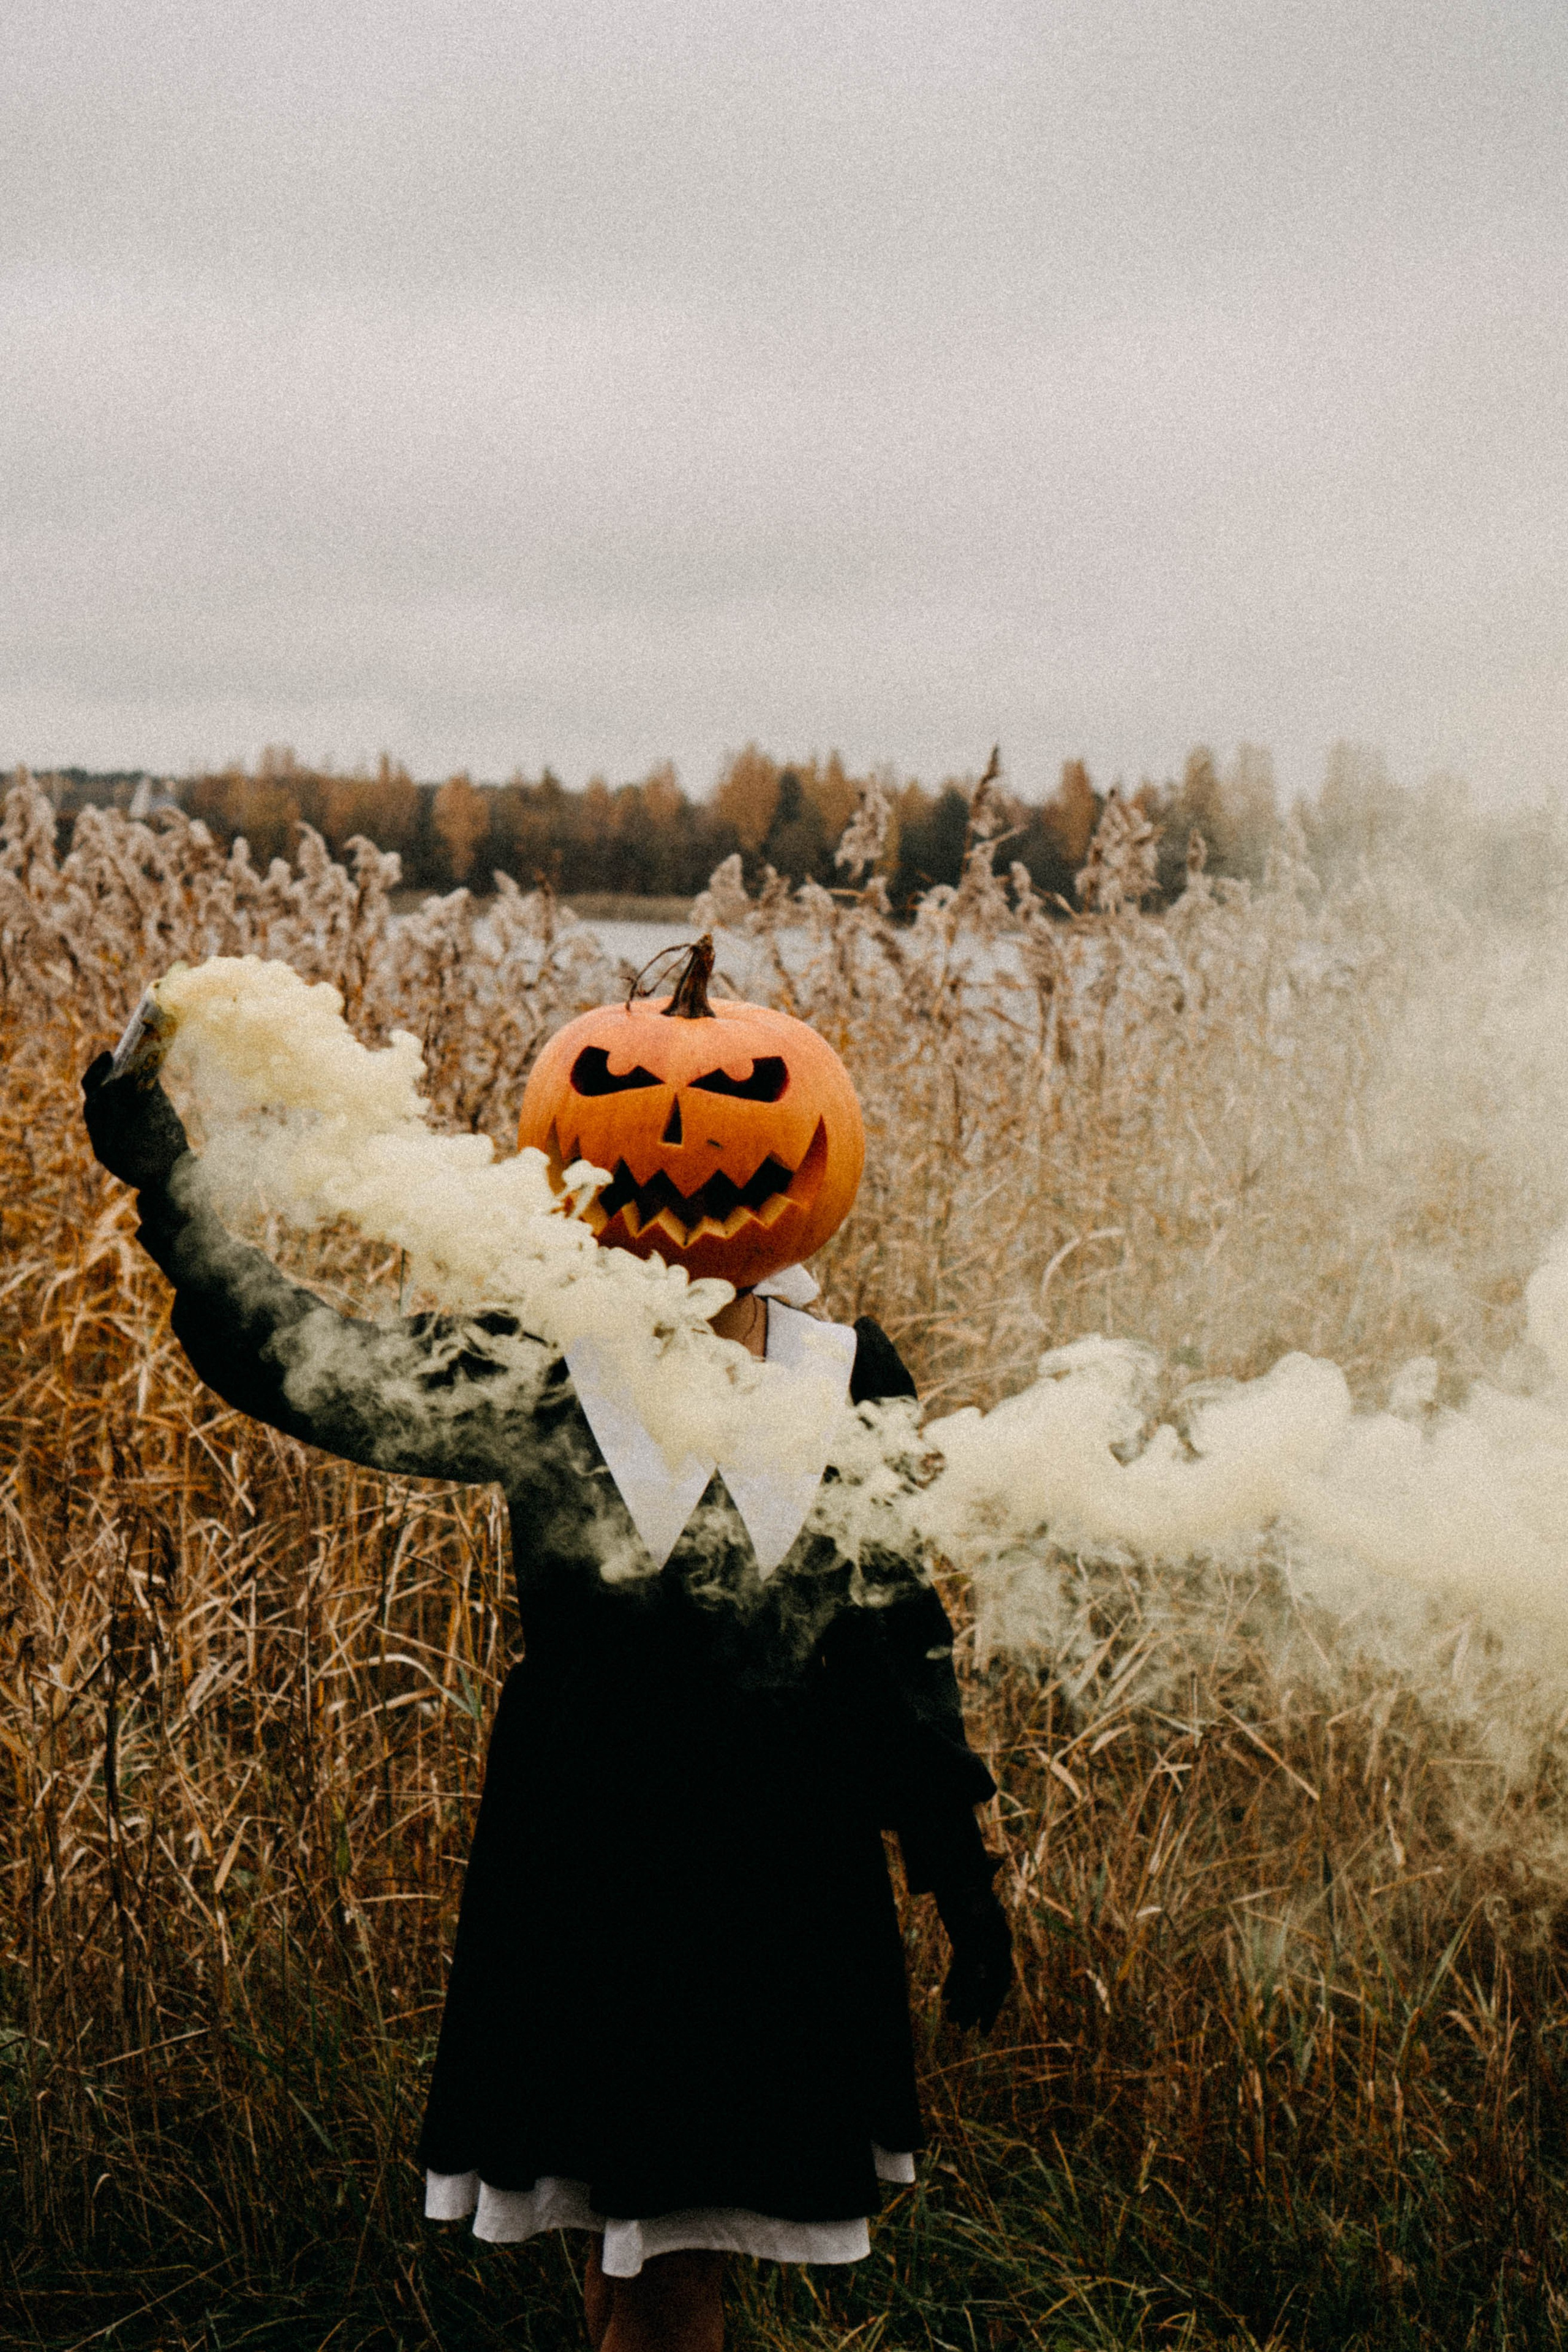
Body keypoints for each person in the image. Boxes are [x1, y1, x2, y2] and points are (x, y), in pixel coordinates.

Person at [82, 1024, 1012, 2352]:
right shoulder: (543, 1361)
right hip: (593, 1848)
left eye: (736, 1109)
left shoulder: (847, 1374)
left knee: (658, 2261)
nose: (682, 1148)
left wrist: (951, 1862)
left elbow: (895, 1637)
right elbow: (309, 1363)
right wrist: (163, 1175)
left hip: (779, 1868)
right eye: (631, 1105)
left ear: (804, 1152)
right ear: (572, 1158)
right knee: (653, 2260)